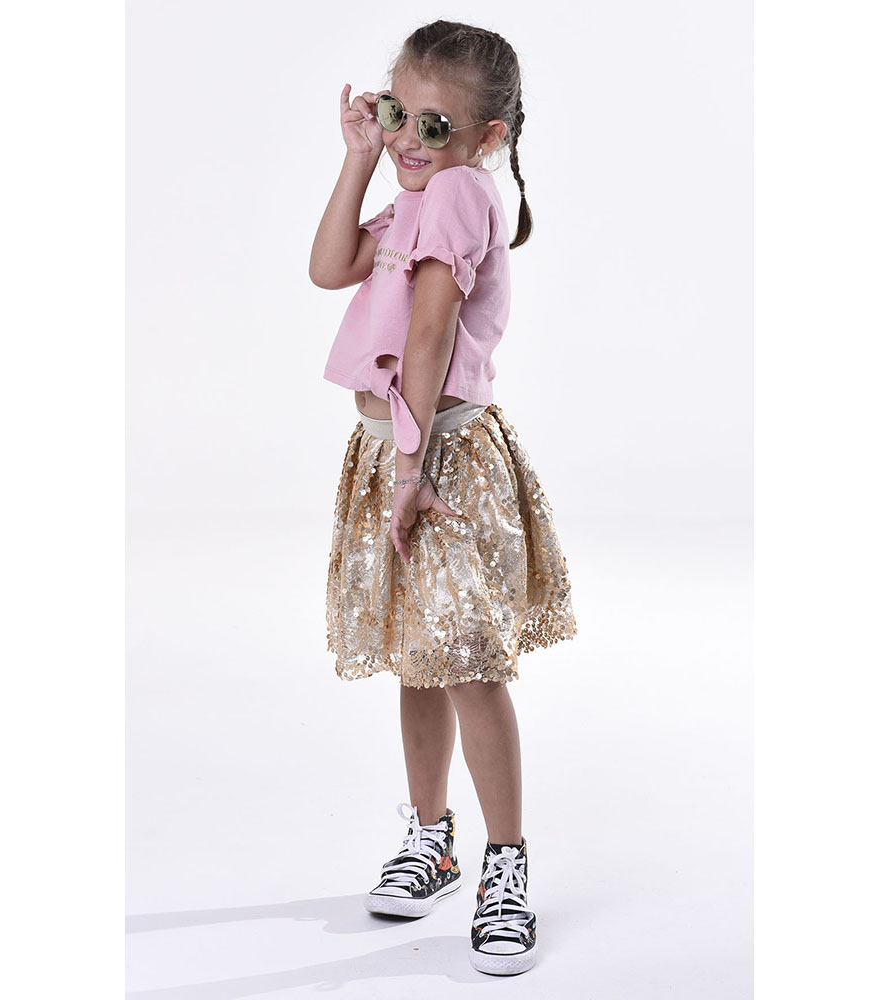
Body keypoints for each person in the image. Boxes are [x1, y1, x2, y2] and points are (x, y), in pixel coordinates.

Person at [309, 20, 578, 977]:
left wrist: (413, 472)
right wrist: (359, 159)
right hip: (394, 452)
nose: (408, 140)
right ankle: (433, 839)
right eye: (397, 113)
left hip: (440, 460)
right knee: (416, 661)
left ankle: (505, 862)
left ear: (488, 137)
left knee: (467, 665)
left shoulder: (460, 193)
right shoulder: (416, 192)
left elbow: (429, 335)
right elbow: (329, 267)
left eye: (434, 125)